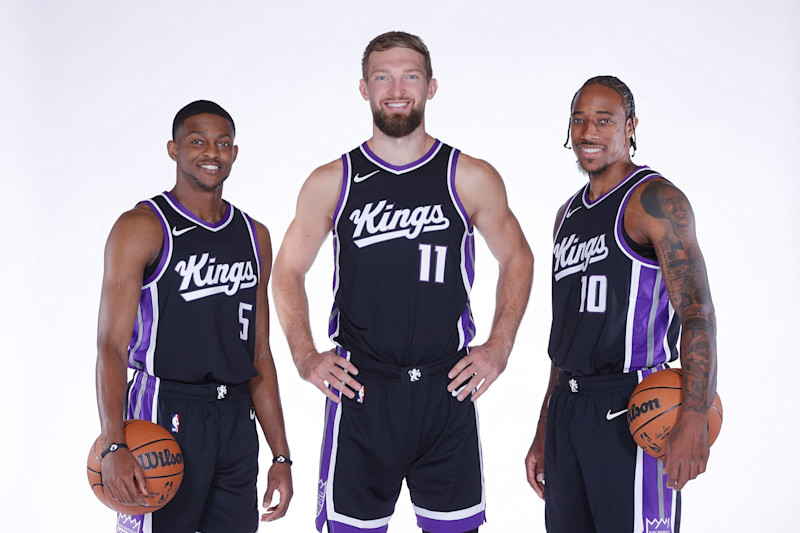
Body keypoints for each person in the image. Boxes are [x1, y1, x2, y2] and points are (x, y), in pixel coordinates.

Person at [272, 31, 533, 533]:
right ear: (365, 89)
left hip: (446, 390)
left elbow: (517, 257)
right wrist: (306, 355)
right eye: (383, 77)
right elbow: (287, 272)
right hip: (362, 391)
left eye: (410, 75)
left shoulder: (468, 176)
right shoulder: (333, 180)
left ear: (431, 87)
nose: (397, 88)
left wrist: (499, 346)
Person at [524, 76, 718, 533]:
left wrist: (694, 415)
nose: (588, 132)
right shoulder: (567, 216)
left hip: (634, 404)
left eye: (603, 120)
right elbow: (565, 336)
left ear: (630, 126)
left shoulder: (655, 200)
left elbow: (697, 312)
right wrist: (543, 427)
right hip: (569, 408)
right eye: (579, 120)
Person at [95, 100, 293, 533]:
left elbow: (259, 352)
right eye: (197, 141)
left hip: (235, 416)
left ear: (234, 154)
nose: (212, 152)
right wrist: (113, 443)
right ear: (173, 149)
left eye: (223, 143)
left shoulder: (254, 235)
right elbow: (111, 345)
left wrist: (280, 454)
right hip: (164, 410)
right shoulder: (142, 226)